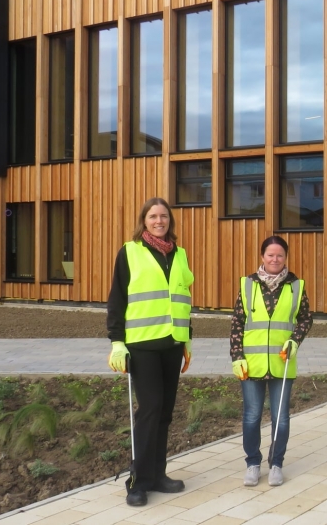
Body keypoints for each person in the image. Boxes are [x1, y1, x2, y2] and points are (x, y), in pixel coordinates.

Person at [106, 197, 194, 507]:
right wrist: (117, 341)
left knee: (165, 413)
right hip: (142, 345)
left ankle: (158, 475)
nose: (159, 221)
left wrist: (187, 340)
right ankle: (138, 481)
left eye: (164, 216)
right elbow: (117, 299)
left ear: (170, 221)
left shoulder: (179, 255)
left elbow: (183, 298)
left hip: (171, 345)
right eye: (153, 216)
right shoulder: (129, 252)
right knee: (149, 410)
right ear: (144, 221)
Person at [229, 235, 313, 487]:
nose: (275, 259)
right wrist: (236, 357)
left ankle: (276, 463)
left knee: (281, 418)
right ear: (262, 256)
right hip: (251, 363)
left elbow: (306, 319)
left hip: (282, 362)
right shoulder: (247, 285)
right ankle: (252, 463)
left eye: (280, 255)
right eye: (270, 254)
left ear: (285, 258)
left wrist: (295, 340)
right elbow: (237, 323)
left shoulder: (296, 286)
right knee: (252, 416)